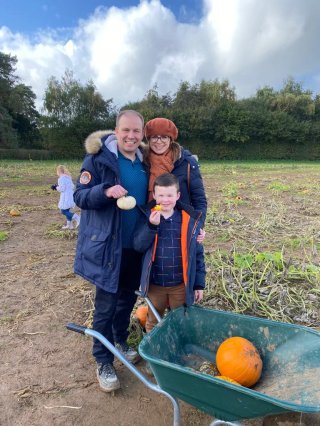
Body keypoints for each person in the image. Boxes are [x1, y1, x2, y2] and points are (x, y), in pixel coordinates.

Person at [73, 110, 148, 393]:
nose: (130, 136)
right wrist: (104, 191)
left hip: (136, 246)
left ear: (142, 135)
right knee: (105, 304)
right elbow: (80, 197)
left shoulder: (145, 162)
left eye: (136, 132)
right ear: (116, 131)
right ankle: (103, 360)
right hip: (108, 247)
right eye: (125, 130)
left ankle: (119, 340)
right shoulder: (98, 159)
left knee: (127, 299)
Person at [133, 173, 206, 332]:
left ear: (178, 195)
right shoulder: (147, 216)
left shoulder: (188, 220)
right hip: (155, 285)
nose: (165, 200)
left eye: (169, 195)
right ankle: (154, 352)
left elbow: (198, 254)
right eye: (161, 195)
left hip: (180, 285)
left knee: (180, 320)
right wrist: (151, 227)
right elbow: (138, 245)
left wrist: (199, 284)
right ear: (154, 195)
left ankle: (177, 348)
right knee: (153, 321)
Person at [143, 117, 207, 228]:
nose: (159, 141)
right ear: (148, 139)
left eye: (164, 137)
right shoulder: (142, 161)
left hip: (180, 227)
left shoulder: (187, 163)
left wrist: (198, 226)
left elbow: (199, 200)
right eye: (154, 137)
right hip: (150, 224)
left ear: (171, 139)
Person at [51, 165, 80, 229]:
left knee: (63, 211)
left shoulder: (61, 178)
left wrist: (55, 187)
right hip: (70, 196)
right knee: (67, 210)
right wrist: (57, 186)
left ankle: (78, 218)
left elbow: (62, 189)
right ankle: (69, 225)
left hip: (66, 197)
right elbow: (72, 186)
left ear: (58, 171)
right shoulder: (68, 177)